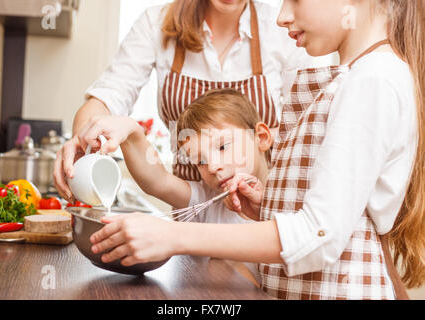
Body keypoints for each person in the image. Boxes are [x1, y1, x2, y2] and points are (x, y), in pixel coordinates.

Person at [87, 0, 424, 300]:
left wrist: (173, 235)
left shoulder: (373, 80)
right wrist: (272, 205)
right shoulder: (356, 77)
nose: (281, 15)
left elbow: (319, 234)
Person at [53, 0, 318, 201]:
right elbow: (109, 97)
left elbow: (311, 127)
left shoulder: (283, 28)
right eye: (202, 158)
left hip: (265, 205)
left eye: (223, 147)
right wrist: (84, 139)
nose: (215, 165)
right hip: (190, 210)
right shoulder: (157, 23)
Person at [79, 89, 272, 280]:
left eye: (222, 147)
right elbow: (158, 181)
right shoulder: (208, 199)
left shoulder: (290, 197)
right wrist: (131, 130)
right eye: (200, 162)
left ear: (261, 138)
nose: (212, 166)